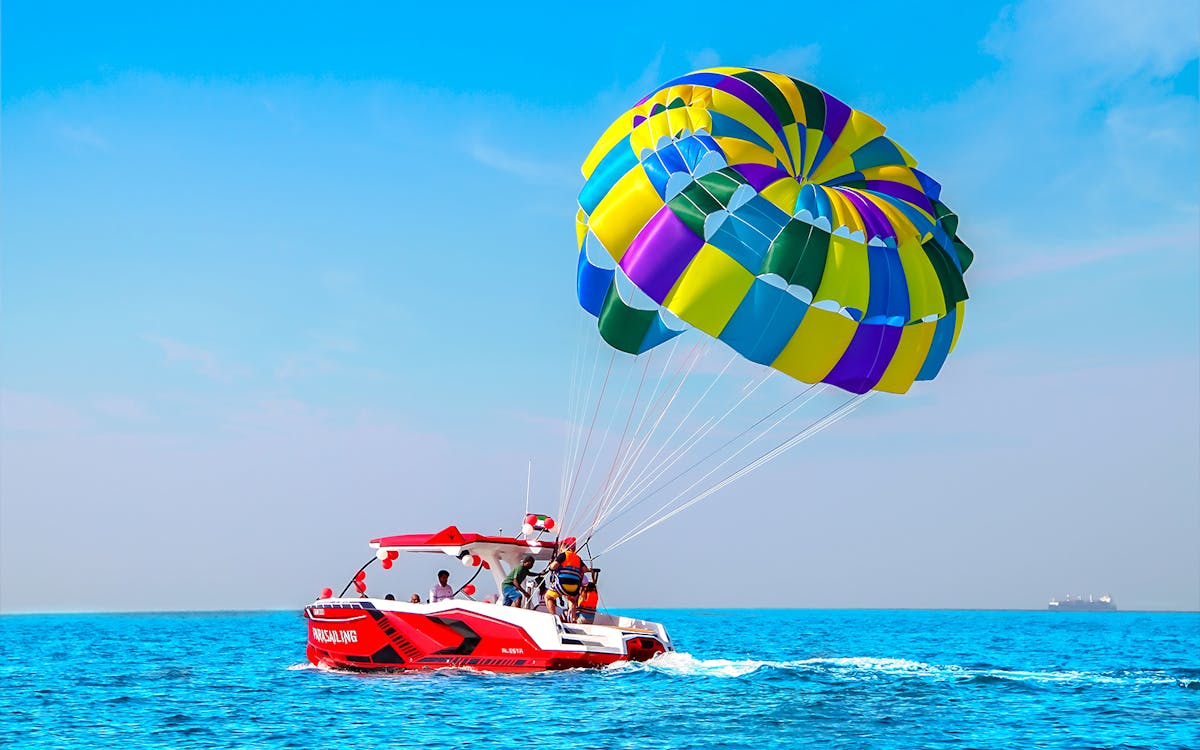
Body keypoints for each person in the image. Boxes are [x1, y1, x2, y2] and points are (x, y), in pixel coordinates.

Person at [546, 538, 586, 621]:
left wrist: (550, 566)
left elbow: (553, 567)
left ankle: (553, 618)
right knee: (572, 599)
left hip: (562, 585)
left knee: (548, 597)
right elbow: (585, 569)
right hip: (574, 588)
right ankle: (573, 617)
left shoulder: (563, 555)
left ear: (564, 546)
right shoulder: (578, 558)